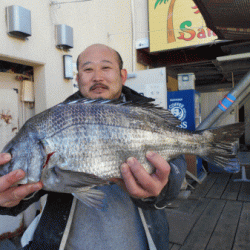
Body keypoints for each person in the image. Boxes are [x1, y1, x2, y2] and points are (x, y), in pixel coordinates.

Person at [0, 44, 187, 250]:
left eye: (106, 68)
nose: (97, 77)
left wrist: (160, 190)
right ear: (78, 78)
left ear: (123, 75)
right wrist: (7, 198)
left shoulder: (144, 114)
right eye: (88, 69)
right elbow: (27, 191)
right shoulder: (53, 120)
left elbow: (176, 166)